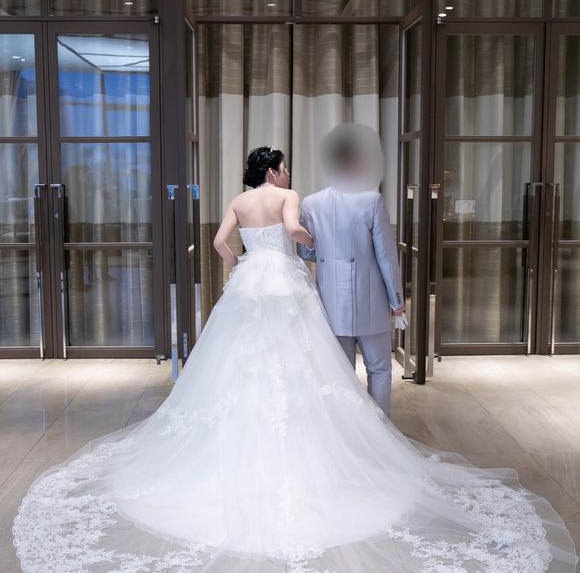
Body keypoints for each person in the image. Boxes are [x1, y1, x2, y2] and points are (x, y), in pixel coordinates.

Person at [13, 147, 577, 573]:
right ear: (273, 171)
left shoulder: (238, 202)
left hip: (249, 282)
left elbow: (219, 243)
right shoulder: (287, 197)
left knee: (237, 358)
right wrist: (308, 244)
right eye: (283, 167)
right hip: (282, 281)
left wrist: (240, 261)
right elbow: (294, 230)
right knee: (300, 357)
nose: (287, 174)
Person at [298, 123, 404, 418]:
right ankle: (381, 430)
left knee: (340, 375)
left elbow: (306, 251)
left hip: (331, 303)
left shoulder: (311, 203)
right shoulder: (372, 200)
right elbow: (386, 256)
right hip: (370, 302)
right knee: (379, 369)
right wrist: (397, 301)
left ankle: (348, 432)